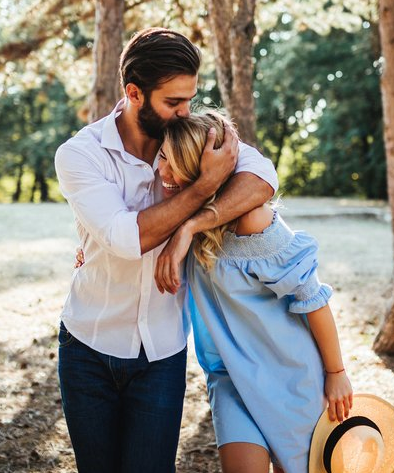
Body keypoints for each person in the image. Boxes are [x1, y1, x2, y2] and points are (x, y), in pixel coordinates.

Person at [54, 28, 278, 473]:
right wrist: (205, 187)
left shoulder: (190, 135)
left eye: (190, 99)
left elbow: (263, 177)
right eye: (173, 102)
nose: (185, 112)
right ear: (134, 93)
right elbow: (126, 239)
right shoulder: (81, 154)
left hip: (162, 354)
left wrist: (190, 225)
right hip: (88, 350)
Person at [156, 109, 354, 473]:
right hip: (229, 379)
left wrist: (336, 372)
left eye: (172, 163)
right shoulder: (178, 211)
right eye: (162, 157)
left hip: (289, 377)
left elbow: (312, 299)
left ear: (201, 173)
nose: (162, 171)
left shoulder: (253, 220)